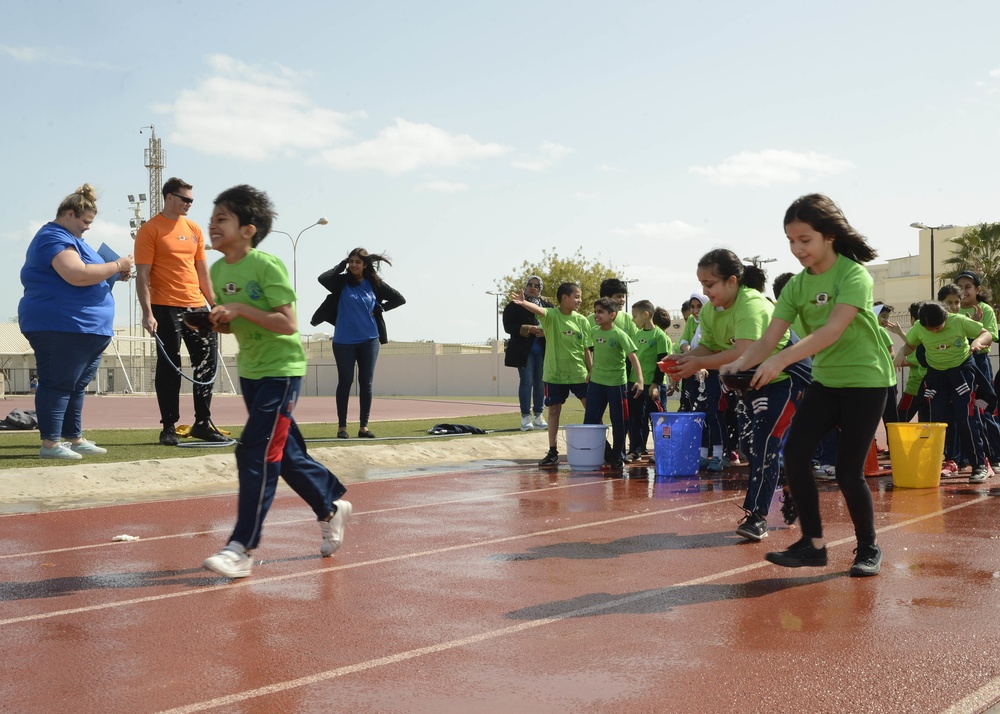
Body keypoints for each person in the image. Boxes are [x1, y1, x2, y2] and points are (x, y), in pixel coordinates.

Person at [722, 193, 895, 577]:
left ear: (829, 236)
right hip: (827, 381)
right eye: (790, 241)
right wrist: (738, 363)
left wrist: (781, 360)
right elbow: (769, 339)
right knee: (795, 454)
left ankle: (868, 547)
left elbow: (833, 330)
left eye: (805, 240)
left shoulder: (853, 275)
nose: (797, 249)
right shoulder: (798, 286)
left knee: (849, 473)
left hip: (866, 382)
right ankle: (813, 545)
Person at [201, 184, 351, 579]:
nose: (212, 225)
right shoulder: (217, 270)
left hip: (281, 372)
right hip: (250, 371)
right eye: (212, 217)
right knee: (283, 454)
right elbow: (240, 326)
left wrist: (239, 308)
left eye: (222, 219)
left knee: (254, 452)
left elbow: (287, 324)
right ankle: (329, 506)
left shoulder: (267, 266)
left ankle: (241, 547)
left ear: (248, 229)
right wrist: (219, 322)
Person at [669, 249, 809, 541]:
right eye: (702, 284)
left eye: (710, 284)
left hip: (786, 377)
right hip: (751, 380)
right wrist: (682, 361)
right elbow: (707, 347)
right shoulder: (710, 310)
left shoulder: (752, 304)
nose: (705, 291)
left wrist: (698, 363)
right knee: (747, 444)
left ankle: (757, 517)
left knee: (763, 442)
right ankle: (791, 480)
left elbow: (744, 351)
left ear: (732, 281)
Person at [18, 184, 134, 460]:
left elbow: (90, 273)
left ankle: (73, 437)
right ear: (69, 214)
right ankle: (50, 444)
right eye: (85, 222)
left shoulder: (74, 240)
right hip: (61, 325)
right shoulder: (52, 237)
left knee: (75, 385)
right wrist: (117, 265)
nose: (87, 228)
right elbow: (77, 274)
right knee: (57, 382)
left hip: (86, 329)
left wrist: (113, 275)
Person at [135, 177, 224, 446]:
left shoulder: (194, 229)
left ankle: (202, 423)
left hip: (196, 306)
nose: (189, 204)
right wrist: (147, 312)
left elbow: (202, 271)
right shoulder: (150, 230)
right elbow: (142, 275)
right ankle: (169, 426)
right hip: (165, 307)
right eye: (185, 199)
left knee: (206, 362)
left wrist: (214, 303)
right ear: (169, 197)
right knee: (169, 367)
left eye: (192, 201)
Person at [311, 248, 405, 439]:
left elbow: (399, 298)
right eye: (351, 261)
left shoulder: (374, 284)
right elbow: (323, 278)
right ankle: (342, 427)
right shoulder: (341, 281)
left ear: (365, 265)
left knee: (366, 383)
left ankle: (363, 427)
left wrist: (381, 308)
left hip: (369, 339)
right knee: (345, 382)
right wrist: (341, 266)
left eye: (357, 262)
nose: (354, 265)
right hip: (343, 340)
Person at [894, 301, 992, 483]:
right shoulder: (920, 327)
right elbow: (911, 344)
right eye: (930, 330)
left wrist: (978, 341)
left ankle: (978, 465)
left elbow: (986, 333)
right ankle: (935, 464)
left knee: (965, 417)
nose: (934, 332)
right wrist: (901, 352)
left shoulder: (959, 321)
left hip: (961, 371)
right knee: (935, 420)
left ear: (946, 318)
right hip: (936, 376)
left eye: (938, 328)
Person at [509, 282, 592, 467]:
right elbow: (539, 310)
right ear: (564, 298)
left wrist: (591, 370)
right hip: (555, 374)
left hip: (579, 374)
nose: (579, 300)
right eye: (576, 296)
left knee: (591, 409)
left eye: (580, 296)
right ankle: (553, 451)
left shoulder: (582, 321)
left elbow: (587, 349)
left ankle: (600, 446)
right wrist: (523, 303)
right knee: (554, 410)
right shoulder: (552, 316)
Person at [585, 297, 643, 468]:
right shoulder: (594, 332)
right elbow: (590, 351)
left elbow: (633, 357)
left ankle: (618, 455)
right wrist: (591, 370)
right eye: (595, 311)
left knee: (619, 421)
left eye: (600, 312)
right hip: (596, 383)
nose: (596, 315)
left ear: (612, 315)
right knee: (590, 420)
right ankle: (600, 452)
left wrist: (640, 379)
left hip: (616, 384)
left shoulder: (619, 334)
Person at [503, 276, 552, 431]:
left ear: (540, 288)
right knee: (526, 382)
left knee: (540, 383)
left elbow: (555, 324)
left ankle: (539, 415)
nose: (533, 288)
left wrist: (545, 332)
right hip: (524, 351)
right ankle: (526, 417)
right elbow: (508, 326)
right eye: (530, 285)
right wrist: (528, 328)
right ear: (525, 286)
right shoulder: (515, 305)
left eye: (537, 286)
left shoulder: (547, 305)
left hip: (542, 351)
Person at [626, 300, 670, 461]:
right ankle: (636, 450)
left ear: (646, 315)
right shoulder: (636, 335)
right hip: (635, 384)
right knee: (636, 419)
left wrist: (656, 384)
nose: (633, 320)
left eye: (635, 316)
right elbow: (630, 360)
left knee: (658, 420)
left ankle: (661, 451)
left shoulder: (659, 335)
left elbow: (662, 361)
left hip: (653, 386)